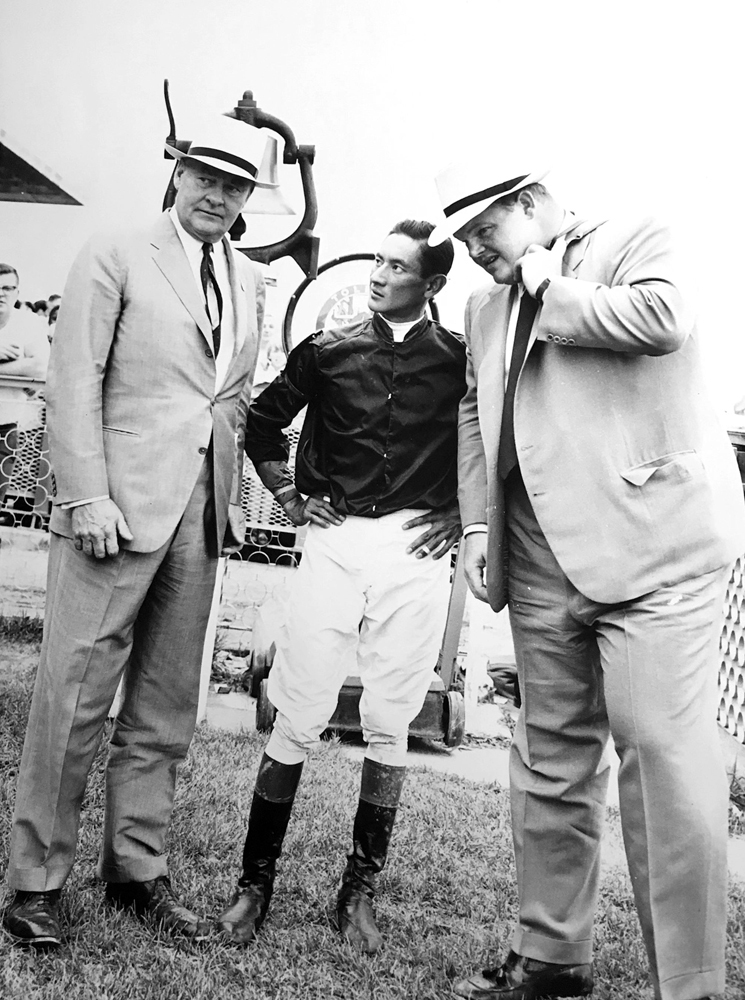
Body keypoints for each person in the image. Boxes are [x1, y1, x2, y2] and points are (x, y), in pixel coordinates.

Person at [428, 161, 745, 1000]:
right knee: (547, 759)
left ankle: (688, 984)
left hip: (655, 556)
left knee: (663, 760)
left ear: (528, 207)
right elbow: (475, 410)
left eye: (482, 234)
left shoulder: (635, 236)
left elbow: (661, 319)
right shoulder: (479, 307)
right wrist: (475, 522)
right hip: (536, 561)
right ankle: (551, 960)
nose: (471, 254)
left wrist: (547, 285)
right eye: (458, 241)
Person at [3, 115, 270, 949]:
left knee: (162, 709)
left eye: (236, 186)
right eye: (205, 177)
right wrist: (86, 495)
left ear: (249, 198)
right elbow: (71, 378)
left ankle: (136, 874)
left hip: (199, 516)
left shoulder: (249, 277)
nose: (217, 197)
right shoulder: (116, 248)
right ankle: (35, 883)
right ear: (179, 172)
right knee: (74, 699)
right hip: (111, 514)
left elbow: (224, 399)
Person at [216, 219, 466, 952]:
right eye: (377, 261)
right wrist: (289, 498)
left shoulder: (460, 360)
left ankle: (358, 895)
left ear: (433, 284)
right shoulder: (327, 349)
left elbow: (490, 437)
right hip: (334, 543)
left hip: (416, 552)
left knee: (391, 717)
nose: (379, 274)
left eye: (397, 266)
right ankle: (252, 887)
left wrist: (459, 510)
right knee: (298, 709)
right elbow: (261, 426)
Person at [0, 264, 50, 516]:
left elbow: (40, 366)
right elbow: (28, 364)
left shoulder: (28, 322)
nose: (1, 294)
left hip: (6, 422)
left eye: (7, 288)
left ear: (17, 292)